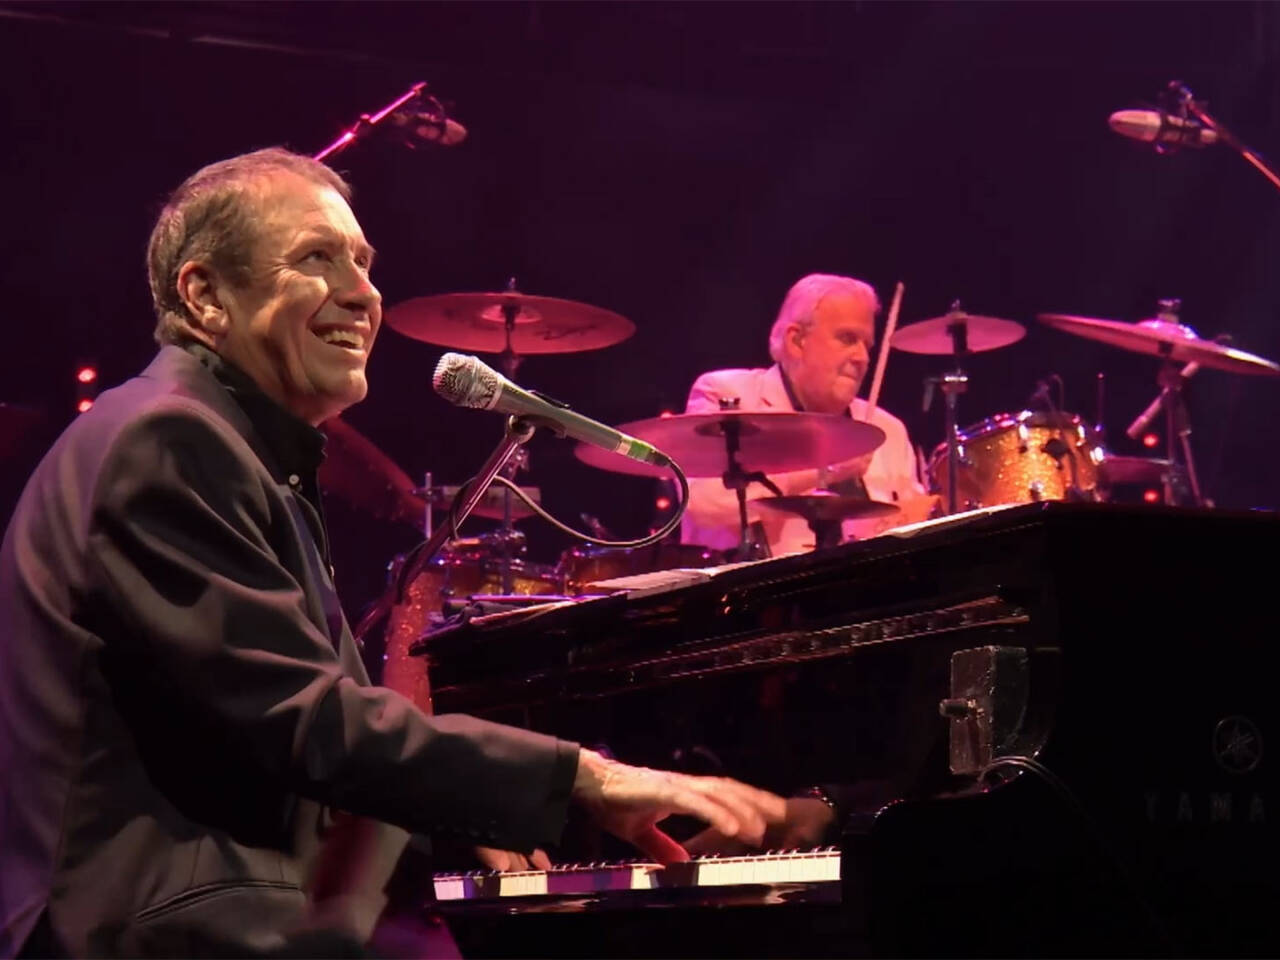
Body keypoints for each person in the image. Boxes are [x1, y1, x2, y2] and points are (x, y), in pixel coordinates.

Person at [0, 148, 786, 958]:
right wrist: (585, 778)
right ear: (204, 295)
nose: (362, 293)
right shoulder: (168, 440)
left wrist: (456, 811)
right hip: (152, 930)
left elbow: (282, 749)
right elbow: (306, 724)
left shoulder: (231, 448)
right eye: (316, 258)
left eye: (363, 263)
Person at [681, 273, 937, 557]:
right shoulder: (727, 394)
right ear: (797, 341)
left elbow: (911, 528)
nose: (862, 358)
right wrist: (824, 470)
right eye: (848, 339)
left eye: (867, 345)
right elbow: (703, 504)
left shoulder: (887, 429)